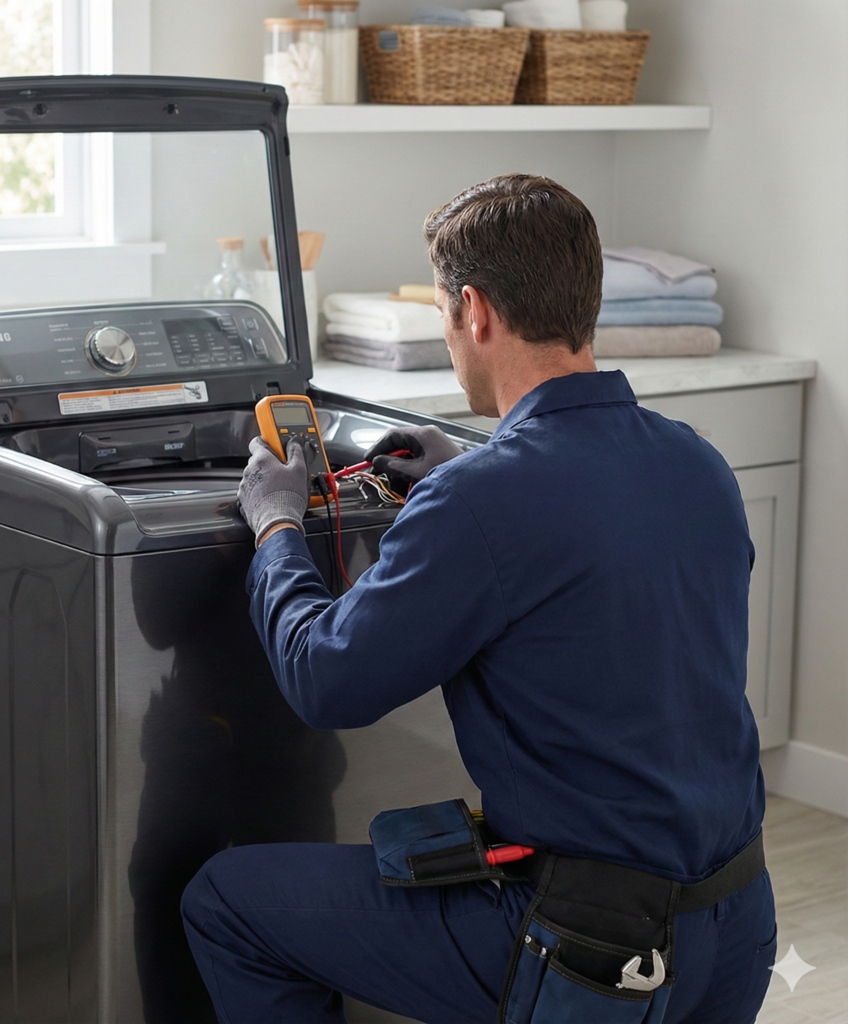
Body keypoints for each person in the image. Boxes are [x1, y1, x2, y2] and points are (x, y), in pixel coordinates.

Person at [181, 174, 776, 1023]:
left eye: (443, 317)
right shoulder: (697, 463)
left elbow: (325, 681)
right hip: (735, 934)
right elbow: (606, 584)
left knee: (227, 901)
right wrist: (465, 475)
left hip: (596, 958)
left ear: (477, 311)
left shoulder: (480, 504)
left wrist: (275, 523)